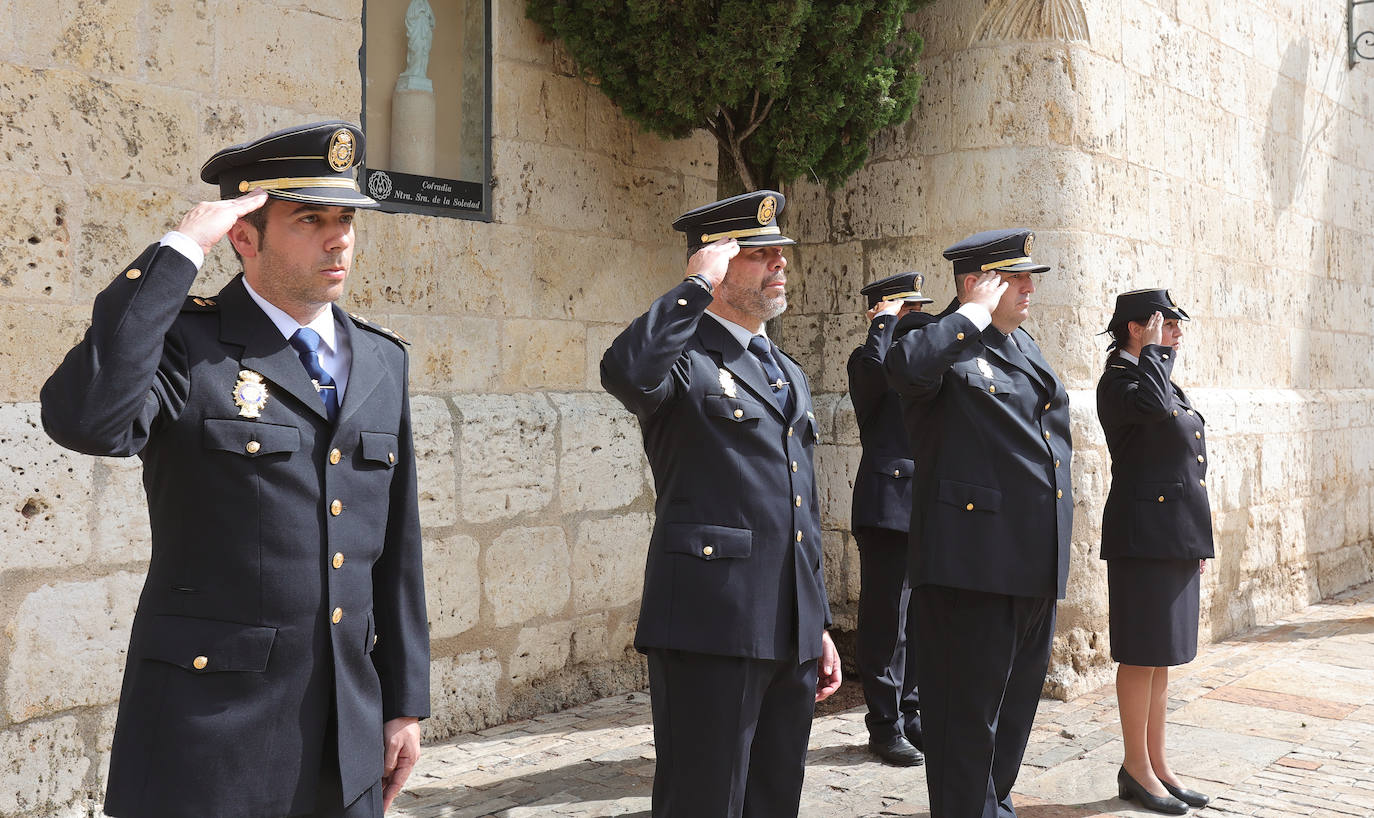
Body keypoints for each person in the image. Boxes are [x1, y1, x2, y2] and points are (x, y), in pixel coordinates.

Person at [40, 121, 429, 818]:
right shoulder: (188, 347)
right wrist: (181, 250)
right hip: (209, 734)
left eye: (345, 219)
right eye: (310, 220)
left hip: (346, 730)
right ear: (245, 238)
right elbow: (88, 419)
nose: (338, 238)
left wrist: (403, 703)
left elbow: (396, 547)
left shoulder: (381, 361)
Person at [601, 189, 842, 818]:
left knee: (773, 798)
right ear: (717, 264)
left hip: (786, 627)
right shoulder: (684, 357)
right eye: (758, 254)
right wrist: (694, 288)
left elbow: (800, 512)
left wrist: (815, 621)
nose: (778, 265)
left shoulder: (785, 371)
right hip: (711, 624)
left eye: (779, 254)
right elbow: (626, 373)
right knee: (703, 801)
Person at [884, 228, 1072, 818]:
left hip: (1031, 567)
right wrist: (968, 315)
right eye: (1014, 278)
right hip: (970, 571)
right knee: (965, 727)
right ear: (976, 282)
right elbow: (906, 371)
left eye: (1029, 277)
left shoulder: (1021, 345)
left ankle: (996, 805)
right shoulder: (932, 339)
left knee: (1013, 719)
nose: (1027, 288)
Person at [1098, 289, 1213, 814]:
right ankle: (1134, 767)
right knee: (1141, 652)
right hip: (1142, 538)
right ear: (1136, 329)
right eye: (1167, 325)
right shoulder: (1121, 382)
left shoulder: (1153, 376)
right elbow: (1153, 409)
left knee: (1162, 655)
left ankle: (1158, 764)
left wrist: (1194, 534)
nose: (1177, 335)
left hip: (1172, 535)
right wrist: (1152, 352)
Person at [847, 271, 934, 767]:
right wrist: (880, 326)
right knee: (887, 623)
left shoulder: (918, 361)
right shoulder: (869, 359)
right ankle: (884, 723)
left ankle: (913, 711)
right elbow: (870, 381)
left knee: (921, 619)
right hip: (887, 508)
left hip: (925, 503)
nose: (913, 317)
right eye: (903, 309)